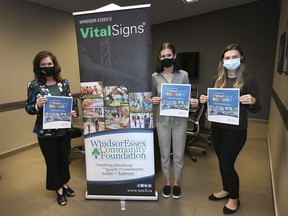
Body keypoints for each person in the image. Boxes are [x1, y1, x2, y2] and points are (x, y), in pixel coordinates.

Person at [199, 43, 261, 214]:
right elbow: (213, 105)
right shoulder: (217, 80)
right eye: (227, 58)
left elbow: (257, 108)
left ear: (241, 59)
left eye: (235, 57)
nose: (231, 60)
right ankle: (226, 189)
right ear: (222, 61)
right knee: (222, 162)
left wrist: (253, 101)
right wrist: (206, 100)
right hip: (217, 128)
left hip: (236, 131)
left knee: (227, 164)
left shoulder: (249, 80)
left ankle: (234, 197)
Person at [25, 51, 77, 206]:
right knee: (52, 162)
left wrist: (71, 112)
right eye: (43, 65)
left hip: (63, 130)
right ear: (38, 67)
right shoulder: (33, 85)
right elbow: (28, 108)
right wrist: (37, 105)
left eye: (49, 64)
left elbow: (69, 102)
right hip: (45, 133)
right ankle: (59, 189)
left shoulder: (64, 83)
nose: (47, 67)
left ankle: (65, 183)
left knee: (63, 160)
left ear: (54, 65)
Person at [152, 42, 198, 199]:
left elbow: (186, 96)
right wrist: (154, 100)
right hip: (162, 121)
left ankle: (176, 182)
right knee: (164, 153)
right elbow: (152, 96)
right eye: (163, 56)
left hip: (180, 121)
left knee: (178, 154)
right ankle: (166, 182)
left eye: (169, 55)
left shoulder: (183, 75)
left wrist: (192, 101)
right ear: (159, 57)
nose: (166, 58)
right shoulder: (155, 77)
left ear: (174, 56)